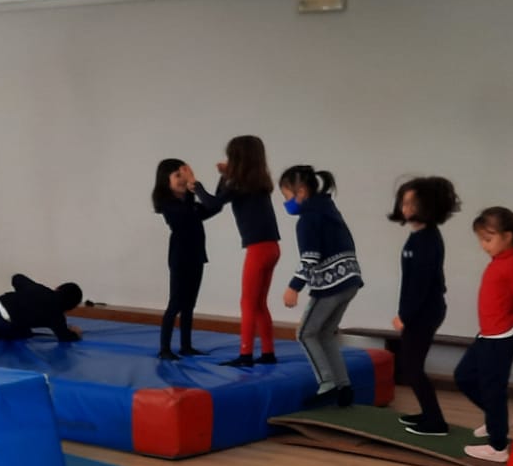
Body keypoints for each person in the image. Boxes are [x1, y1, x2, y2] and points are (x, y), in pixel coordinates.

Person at [456, 207, 513, 464]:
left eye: (488, 239)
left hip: (502, 337)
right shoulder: (499, 262)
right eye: (481, 240)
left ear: (507, 236)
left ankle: (497, 447)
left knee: (492, 389)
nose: (483, 245)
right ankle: (500, 419)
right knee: (463, 376)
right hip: (488, 334)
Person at [280, 165, 362, 407]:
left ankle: (327, 384)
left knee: (305, 333)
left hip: (331, 284)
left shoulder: (307, 219)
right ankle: (344, 386)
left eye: (286, 196)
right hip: (350, 280)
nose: (286, 203)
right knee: (325, 333)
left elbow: (310, 257)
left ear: (301, 192)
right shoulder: (328, 209)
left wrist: (294, 286)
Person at [389, 177, 460, 436]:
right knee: (411, 366)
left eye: (413, 203)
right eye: (404, 202)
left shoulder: (427, 240)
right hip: (420, 310)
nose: (406, 208)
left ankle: (436, 422)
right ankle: (428, 414)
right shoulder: (418, 237)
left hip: (424, 312)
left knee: (411, 367)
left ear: (428, 206)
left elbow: (421, 284)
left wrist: (405, 316)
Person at [214, 135, 281, 366]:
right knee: (260, 303)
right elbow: (219, 199)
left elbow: (213, 203)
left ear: (237, 160)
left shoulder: (239, 186)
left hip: (258, 249)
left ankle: (245, 355)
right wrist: (225, 176)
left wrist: (196, 185)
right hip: (272, 248)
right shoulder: (259, 184)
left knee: (248, 302)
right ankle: (268, 353)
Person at [152, 158, 224, 360]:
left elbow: (214, 207)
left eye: (184, 175)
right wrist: (194, 186)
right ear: (165, 182)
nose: (183, 180)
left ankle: (186, 345)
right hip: (180, 258)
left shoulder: (190, 205)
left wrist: (224, 178)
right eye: (178, 176)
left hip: (196, 256)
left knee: (189, 304)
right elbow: (186, 216)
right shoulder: (169, 205)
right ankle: (164, 348)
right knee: (175, 303)